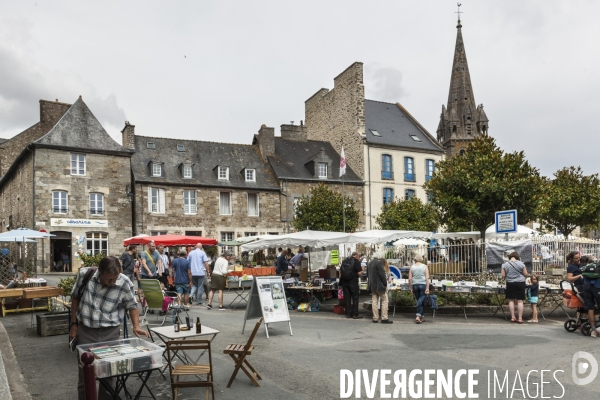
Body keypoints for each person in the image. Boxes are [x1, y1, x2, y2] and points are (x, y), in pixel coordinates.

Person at [69, 256, 149, 400]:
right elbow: (75, 298)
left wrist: (136, 326)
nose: (112, 282)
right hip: (86, 331)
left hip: (110, 333)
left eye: (115, 278)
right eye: (108, 279)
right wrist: (74, 325)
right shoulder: (85, 275)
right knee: (85, 376)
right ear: (100, 272)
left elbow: (132, 306)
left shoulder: (124, 282)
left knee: (108, 375)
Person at [501, 251, 528, 324]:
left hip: (510, 283)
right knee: (520, 301)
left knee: (511, 300)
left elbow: (503, 275)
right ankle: (520, 318)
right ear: (517, 257)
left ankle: (512, 317)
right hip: (520, 283)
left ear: (509, 257)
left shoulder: (504, 264)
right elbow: (525, 274)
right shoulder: (521, 263)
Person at [366, 252, 393, 324]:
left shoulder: (369, 263)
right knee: (384, 300)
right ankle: (384, 318)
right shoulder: (379, 263)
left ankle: (375, 318)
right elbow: (382, 275)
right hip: (380, 285)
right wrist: (384, 284)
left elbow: (367, 274)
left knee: (374, 301)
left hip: (372, 285)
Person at [340, 251, 364, 319]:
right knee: (355, 298)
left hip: (345, 282)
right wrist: (362, 271)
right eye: (358, 256)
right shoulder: (356, 262)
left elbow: (341, 272)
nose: (359, 258)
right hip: (353, 282)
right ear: (356, 256)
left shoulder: (345, 261)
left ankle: (348, 314)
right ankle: (355, 314)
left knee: (347, 298)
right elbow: (359, 273)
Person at [409, 255, 430, 324]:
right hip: (423, 285)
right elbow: (427, 278)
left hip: (415, 285)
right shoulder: (424, 266)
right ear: (421, 259)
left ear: (415, 259)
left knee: (419, 301)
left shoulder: (412, 267)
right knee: (421, 301)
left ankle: (422, 317)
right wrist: (427, 288)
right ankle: (418, 316)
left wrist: (411, 288)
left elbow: (410, 279)